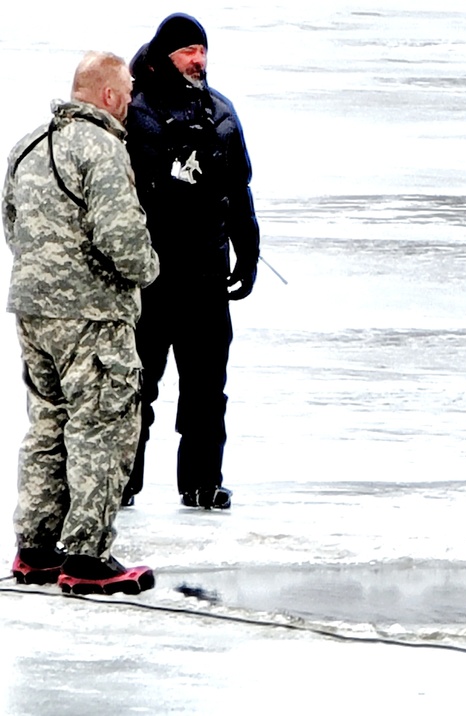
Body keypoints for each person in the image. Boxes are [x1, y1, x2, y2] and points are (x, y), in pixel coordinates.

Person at [5, 52, 160, 594]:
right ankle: (87, 557)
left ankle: (36, 548)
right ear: (111, 97)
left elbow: (11, 223)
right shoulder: (103, 147)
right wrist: (149, 269)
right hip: (93, 316)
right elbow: (123, 239)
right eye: (128, 93)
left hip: (33, 312)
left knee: (48, 426)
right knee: (102, 425)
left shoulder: (25, 147)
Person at [121, 13, 261, 510]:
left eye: (203, 50)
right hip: (150, 279)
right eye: (188, 51)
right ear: (165, 56)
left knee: (206, 390)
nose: (198, 59)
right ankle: (122, 482)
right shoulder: (134, 110)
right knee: (136, 386)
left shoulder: (220, 113)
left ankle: (202, 482)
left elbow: (238, 189)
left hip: (205, 276)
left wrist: (249, 251)